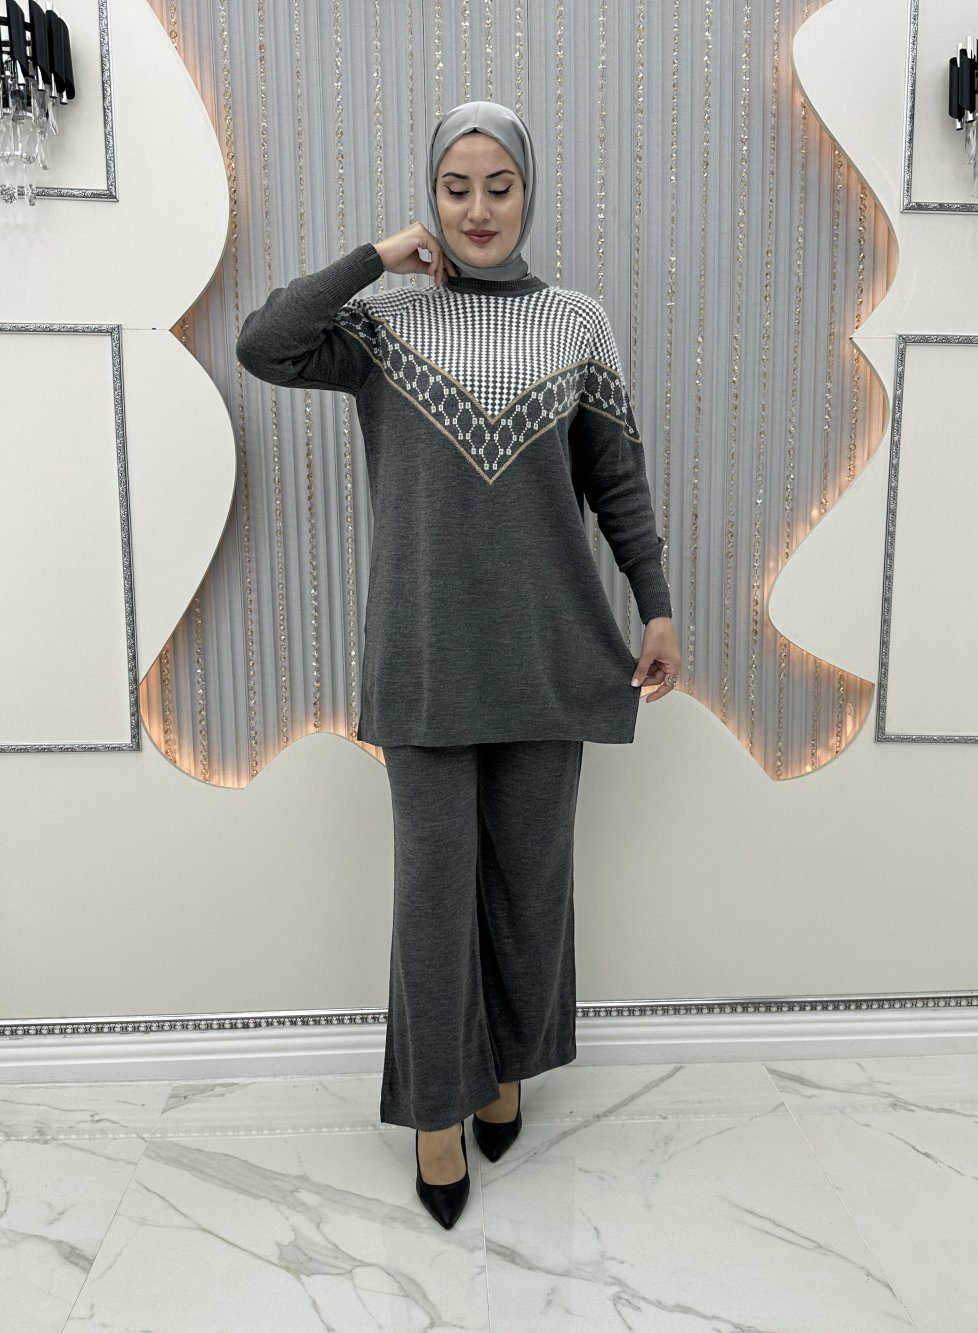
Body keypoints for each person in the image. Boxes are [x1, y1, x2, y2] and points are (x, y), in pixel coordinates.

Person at [235, 99, 681, 1230]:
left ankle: (504, 1070)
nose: (478, 209)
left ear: (528, 191)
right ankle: (438, 1110)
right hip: (425, 660)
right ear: (430, 195)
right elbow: (264, 343)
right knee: (432, 902)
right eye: (455, 187)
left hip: (547, 653)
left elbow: (616, 481)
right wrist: (378, 257)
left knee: (530, 892)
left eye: (499, 185)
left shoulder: (576, 324)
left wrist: (658, 607)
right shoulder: (384, 325)